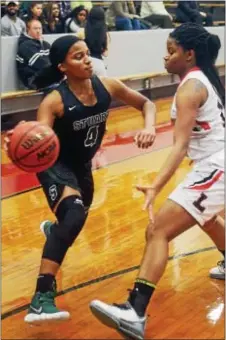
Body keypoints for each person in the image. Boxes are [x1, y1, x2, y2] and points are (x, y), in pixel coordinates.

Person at [4, 35, 156, 324]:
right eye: (78, 56)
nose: (87, 60)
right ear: (63, 66)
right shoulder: (54, 100)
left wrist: (149, 127)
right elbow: (39, 136)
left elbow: (146, 104)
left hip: (82, 166)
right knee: (73, 215)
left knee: (73, 221)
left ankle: (54, 232)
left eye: (87, 54)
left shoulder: (107, 85)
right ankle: (41, 297)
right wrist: (20, 139)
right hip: (55, 165)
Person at [89, 23, 225, 339]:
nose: (165, 57)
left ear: (189, 54)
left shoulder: (191, 87)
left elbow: (178, 146)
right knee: (204, 220)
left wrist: (156, 186)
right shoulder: (200, 79)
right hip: (214, 164)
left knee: (158, 229)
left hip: (216, 168)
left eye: (171, 51)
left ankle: (134, 311)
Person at [16, 19, 51, 90]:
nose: (38, 31)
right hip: (32, 80)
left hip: (45, 77)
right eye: (35, 28)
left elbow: (54, 58)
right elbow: (40, 63)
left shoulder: (46, 44)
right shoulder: (25, 45)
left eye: (40, 28)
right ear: (28, 30)